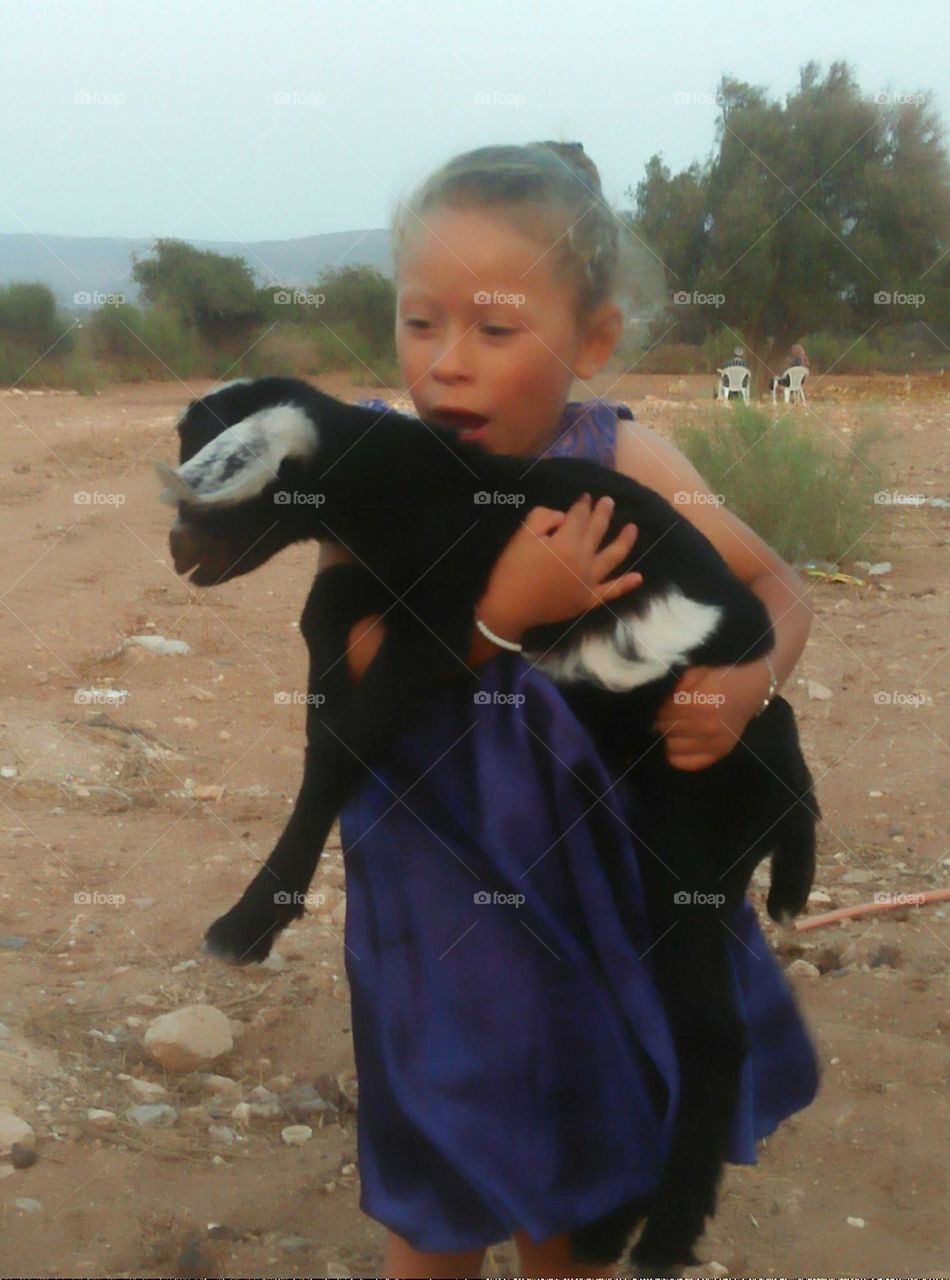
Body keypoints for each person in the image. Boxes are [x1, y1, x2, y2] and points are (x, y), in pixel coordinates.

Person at [323, 142, 819, 1280]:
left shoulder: (623, 456)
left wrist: (747, 685)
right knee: (435, 1202)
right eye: (418, 323)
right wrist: (501, 613)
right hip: (437, 906)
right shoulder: (377, 478)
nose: (448, 365)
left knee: (575, 1197)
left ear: (591, 340)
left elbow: (777, 587)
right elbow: (355, 664)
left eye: (495, 332)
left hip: (598, 899)